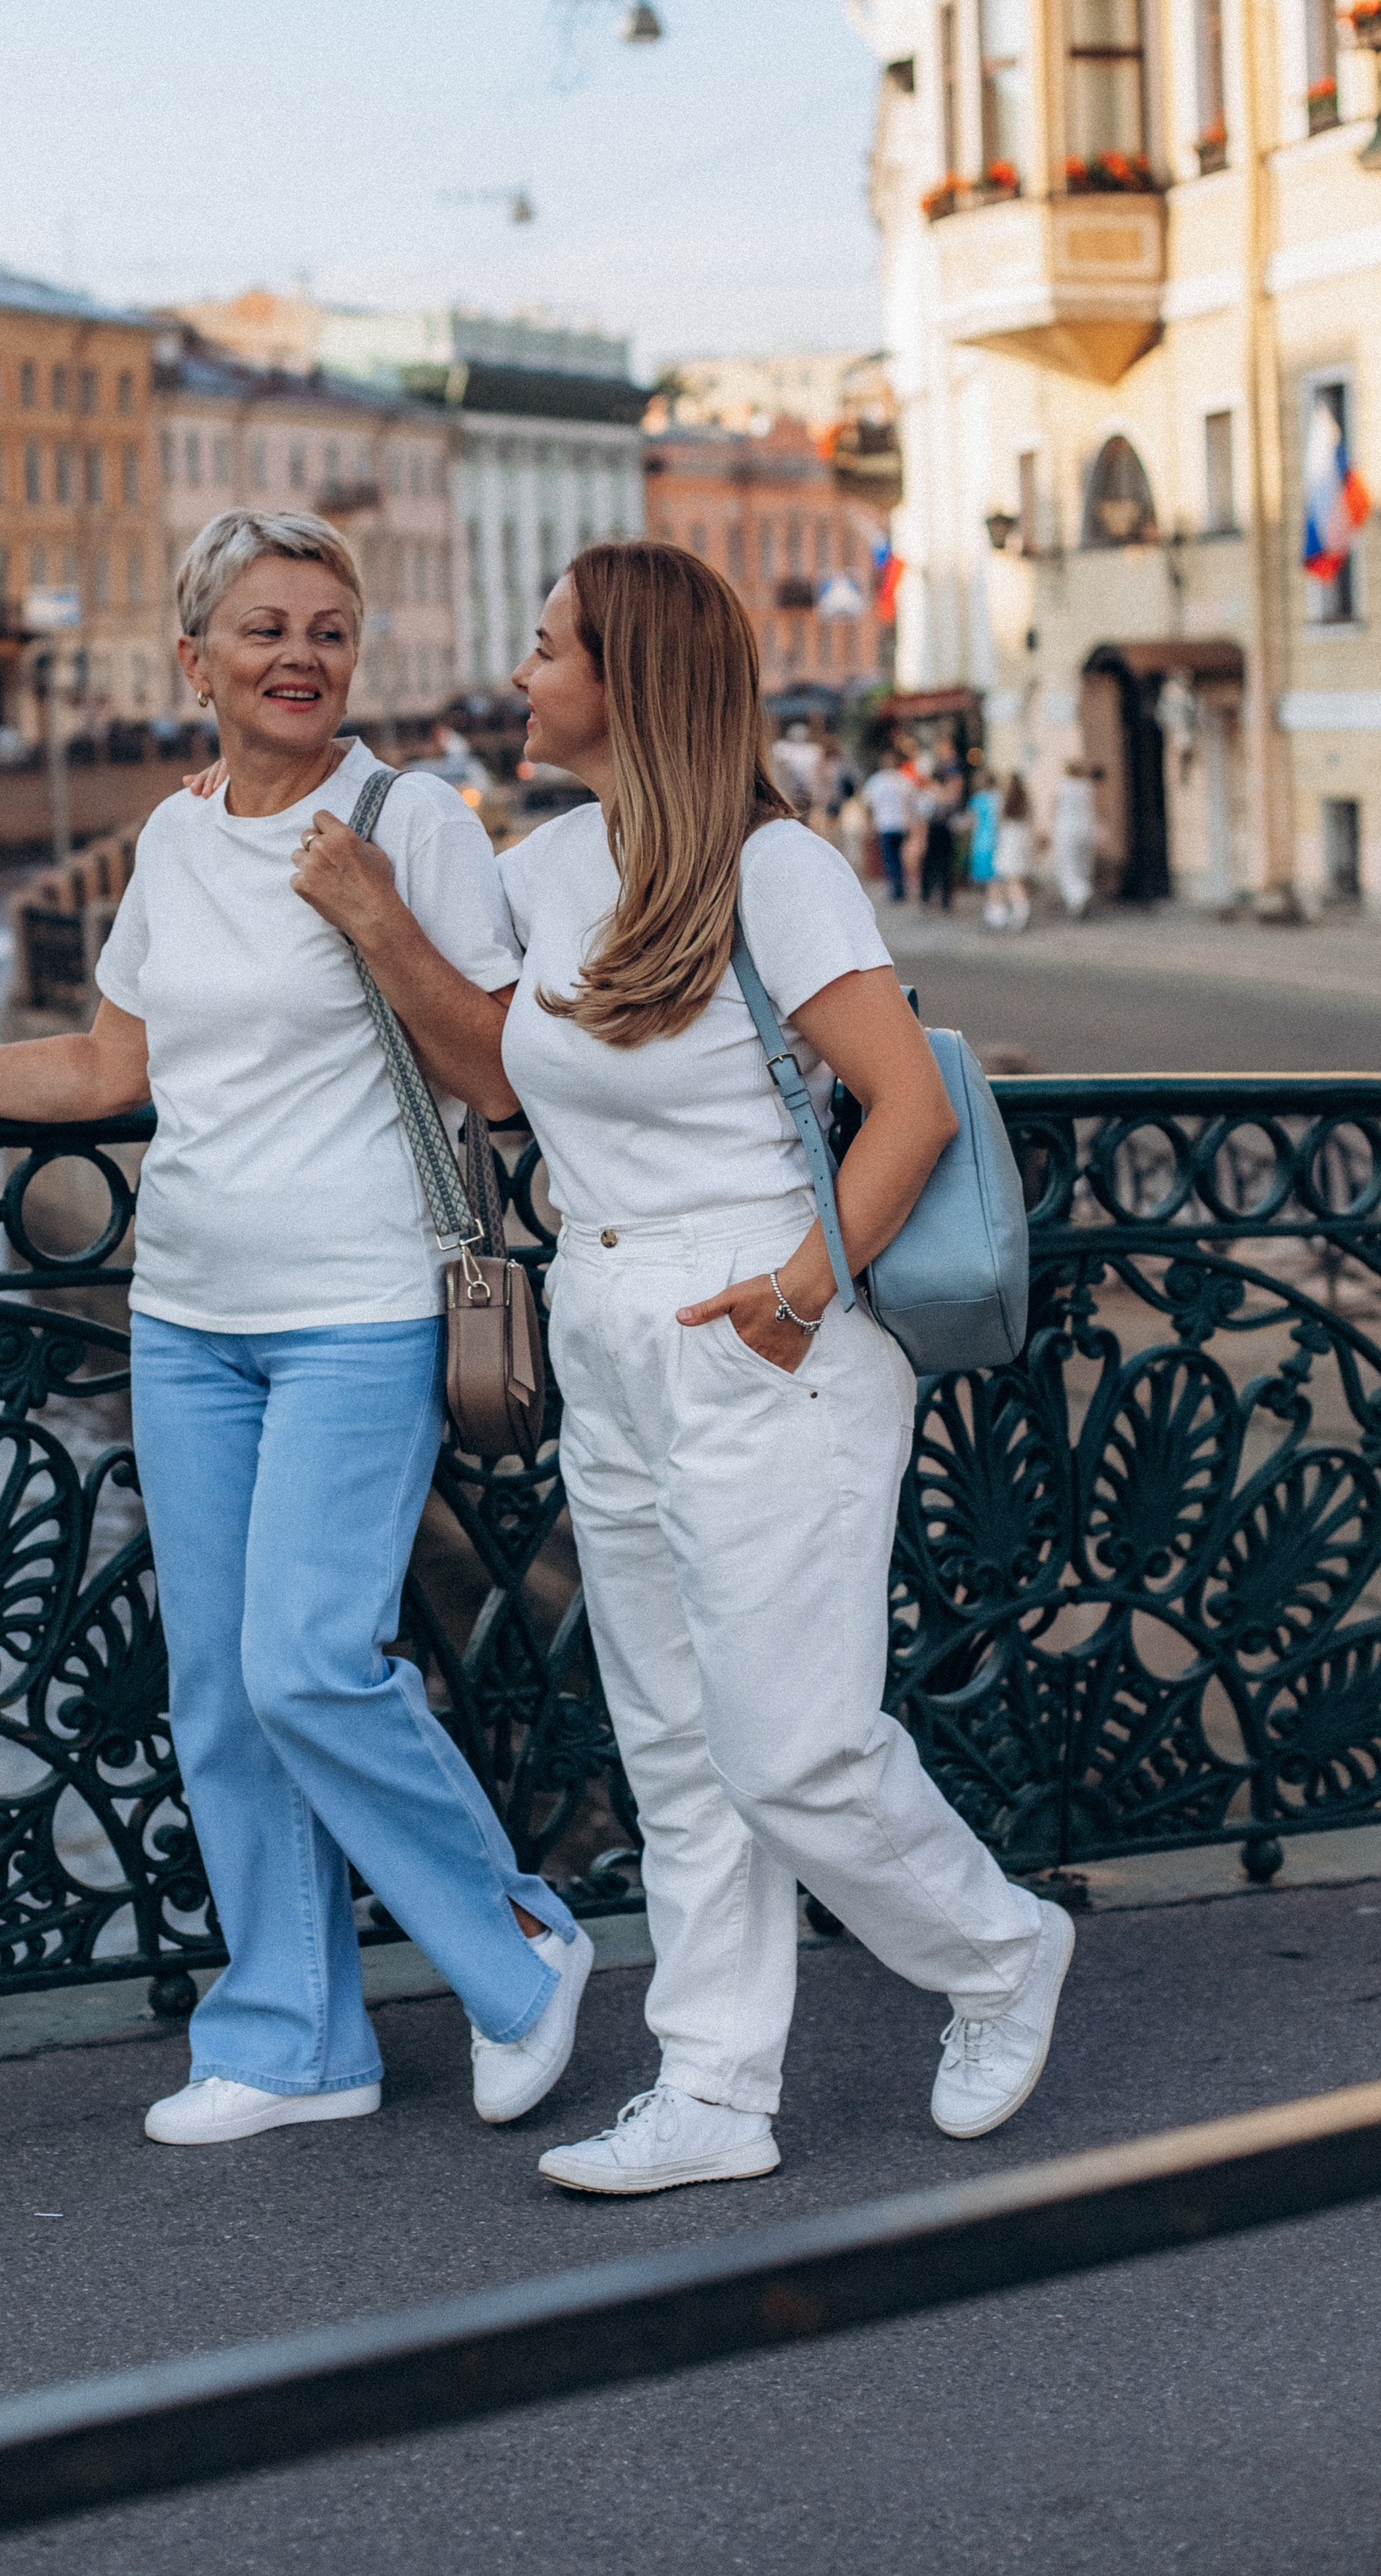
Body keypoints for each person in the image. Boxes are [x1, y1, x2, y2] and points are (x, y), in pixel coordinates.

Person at [0, 509, 591, 2152]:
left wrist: (372, 918)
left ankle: (512, 1939)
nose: (300, 657)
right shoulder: (169, 833)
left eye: (328, 630)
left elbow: (494, 1072)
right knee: (219, 1689)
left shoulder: (402, 818)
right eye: (266, 627)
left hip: (356, 1309)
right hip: (188, 1315)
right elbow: (101, 1074)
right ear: (191, 658)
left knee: (305, 1663)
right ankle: (290, 2041)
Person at [499, 541, 1071, 2198]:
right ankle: (712, 2092)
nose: (519, 676)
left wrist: (793, 1293)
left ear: (627, 681)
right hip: (600, 1320)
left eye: (545, 652)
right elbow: (484, 1061)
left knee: (792, 1747)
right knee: (672, 1744)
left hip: (766, 1328)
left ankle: (994, 1953)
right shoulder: (539, 871)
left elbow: (912, 1104)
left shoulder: (778, 872)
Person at [860, 750, 913, 905]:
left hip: (886, 824)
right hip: (900, 824)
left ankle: (895, 889)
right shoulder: (903, 780)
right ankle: (900, 887)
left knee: (890, 857)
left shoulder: (877, 781)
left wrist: (869, 824)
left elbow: (867, 803)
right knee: (898, 856)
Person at [1049, 760, 1099, 918]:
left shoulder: (1062, 786)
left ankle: (1077, 897)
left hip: (1066, 831)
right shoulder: (1086, 787)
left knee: (1068, 867)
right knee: (1083, 865)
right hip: (1085, 830)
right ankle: (1082, 892)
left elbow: (1055, 808)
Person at [992, 772, 1034, 931]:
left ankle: (1021, 910)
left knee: (1012, 880)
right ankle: (1020, 909)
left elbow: (998, 822)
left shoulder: (1003, 800)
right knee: (1019, 879)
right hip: (1022, 838)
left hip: (1009, 840)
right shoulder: (1026, 800)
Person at [919, 748, 959, 911]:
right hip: (937, 831)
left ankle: (940, 897)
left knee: (940, 865)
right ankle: (933, 896)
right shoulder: (935, 792)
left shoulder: (938, 792)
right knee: (936, 865)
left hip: (940, 831)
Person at [967, 769, 1002, 922]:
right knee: (1000, 878)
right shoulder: (1000, 798)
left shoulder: (978, 799)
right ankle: (1000, 907)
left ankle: (996, 910)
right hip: (999, 841)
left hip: (983, 842)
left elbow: (971, 822)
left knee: (991, 880)